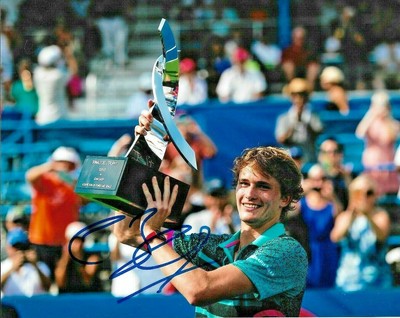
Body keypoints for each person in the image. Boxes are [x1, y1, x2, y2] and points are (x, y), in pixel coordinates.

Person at [114, 110, 308, 317]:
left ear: (286, 198)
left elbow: (199, 290)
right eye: (244, 184)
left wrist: (152, 234)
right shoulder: (212, 246)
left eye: (263, 186)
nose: (250, 194)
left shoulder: (286, 252)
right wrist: (145, 152)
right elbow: (128, 232)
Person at [25, 146, 83, 281]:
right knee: (41, 281)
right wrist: (51, 166)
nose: (64, 167)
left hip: (64, 243)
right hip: (41, 240)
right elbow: (30, 175)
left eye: (68, 164)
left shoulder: (73, 186)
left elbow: (85, 199)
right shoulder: (44, 181)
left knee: (62, 281)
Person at [331, 175, 393, 291]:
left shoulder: (381, 215)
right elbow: (336, 237)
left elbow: (381, 236)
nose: (365, 197)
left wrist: (368, 215)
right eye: (359, 193)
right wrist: (352, 212)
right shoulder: (344, 217)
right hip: (349, 281)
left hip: (378, 281)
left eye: (369, 193)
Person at [297, 164, 340, 288]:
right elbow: (288, 211)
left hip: (328, 251)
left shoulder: (331, 204)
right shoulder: (302, 204)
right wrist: (301, 191)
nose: (319, 184)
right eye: (315, 179)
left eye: (323, 179)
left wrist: (332, 196)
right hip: (308, 250)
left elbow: (339, 220)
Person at [356, 90, 400, 197]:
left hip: (388, 164)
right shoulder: (370, 122)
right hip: (372, 164)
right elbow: (359, 133)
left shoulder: (393, 123)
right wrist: (371, 114)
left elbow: (393, 136)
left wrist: (387, 117)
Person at [275, 78, 324, 163]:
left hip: (309, 157)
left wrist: (305, 122)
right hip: (290, 158)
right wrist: (294, 124)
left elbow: (318, 132)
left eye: (302, 95)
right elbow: (281, 139)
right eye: (295, 95)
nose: (299, 98)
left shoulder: (313, 115)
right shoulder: (284, 118)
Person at [33, 44, 78, 125]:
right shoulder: (58, 76)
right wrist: (69, 56)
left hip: (42, 118)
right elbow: (74, 71)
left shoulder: (37, 74)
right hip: (58, 118)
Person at [55, 221, 103, 293]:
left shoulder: (92, 257)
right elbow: (60, 282)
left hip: (87, 297)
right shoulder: (61, 258)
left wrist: (78, 259)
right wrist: (66, 257)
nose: (79, 244)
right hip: (68, 298)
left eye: (81, 240)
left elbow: (87, 281)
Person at [1, 228, 51, 296]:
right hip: (11, 306)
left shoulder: (40, 265)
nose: (18, 250)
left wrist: (35, 265)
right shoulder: (3, 266)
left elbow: (47, 287)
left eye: (21, 247)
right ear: (8, 248)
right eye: (15, 247)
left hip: (33, 305)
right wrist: (13, 268)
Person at [318, 137, 352, 210]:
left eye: (335, 151)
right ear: (320, 155)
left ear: (341, 154)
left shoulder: (347, 176)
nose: (331, 155)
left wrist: (347, 179)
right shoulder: (315, 177)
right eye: (326, 152)